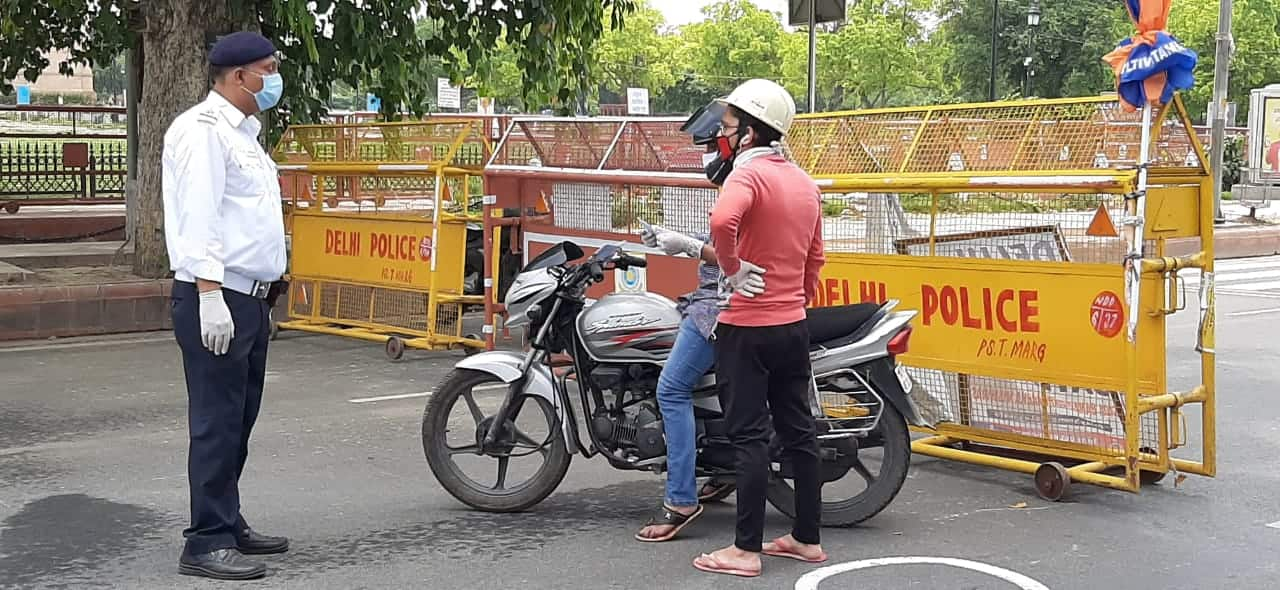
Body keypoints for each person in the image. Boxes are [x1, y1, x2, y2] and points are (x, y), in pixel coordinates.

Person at [163, 31, 290, 581]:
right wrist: (210, 294)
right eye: (269, 69)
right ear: (239, 77)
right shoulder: (202, 132)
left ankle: (226, 517)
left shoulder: (246, 136)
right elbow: (199, 217)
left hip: (250, 297)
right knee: (215, 422)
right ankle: (206, 539)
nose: (274, 78)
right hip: (218, 295)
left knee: (239, 418)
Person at [691, 79, 828, 578]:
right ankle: (807, 539)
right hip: (792, 325)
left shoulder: (746, 177)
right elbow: (816, 257)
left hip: (747, 328)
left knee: (748, 437)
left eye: (728, 127)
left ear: (749, 133)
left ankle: (744, 551)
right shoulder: (802, 180)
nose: (722, 136)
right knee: (798, 432)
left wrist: (731, 268)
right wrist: (795, 298)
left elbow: (723, 220)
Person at [632, 138, 764, 543]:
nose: (709, 151)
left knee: (671, 389)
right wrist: (677, 238)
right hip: (719, 301)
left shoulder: (744, 181)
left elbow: (733, 252)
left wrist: (686, 245)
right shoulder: (758, 177)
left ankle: (681, 499)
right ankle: (719, 474)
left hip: (717, 307)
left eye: (716, 139)